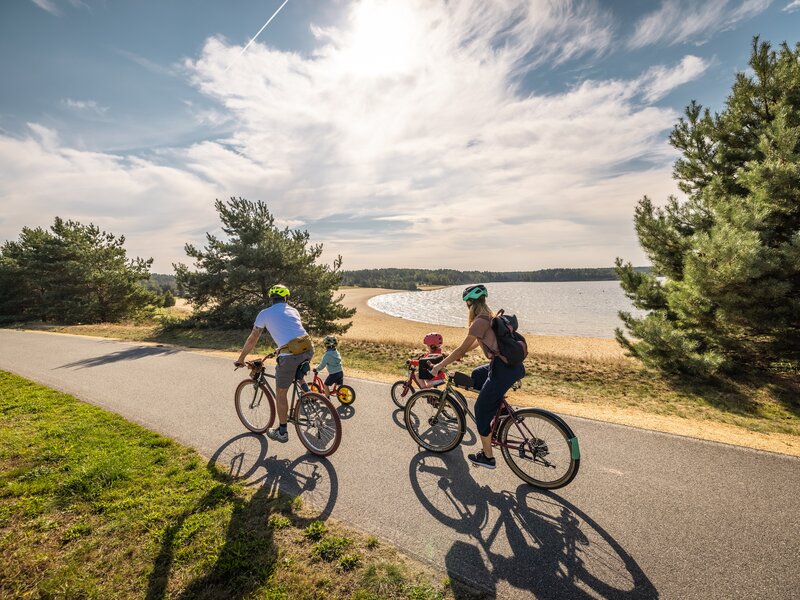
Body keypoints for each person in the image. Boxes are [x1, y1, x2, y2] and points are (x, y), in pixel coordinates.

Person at [429, 284, 525, 470]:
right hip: (512, 366)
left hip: (502, 369)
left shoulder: (478, 321)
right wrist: (461, 353)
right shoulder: (490, 316)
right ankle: (500, 411)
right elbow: (478, 341)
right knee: (476, 375)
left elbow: (463, 347)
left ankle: (487, 457)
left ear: (470, 304)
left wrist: (441, 365)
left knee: (480, 409)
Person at [234, 284, 314, 443]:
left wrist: (241, 358)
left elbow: (252, 339)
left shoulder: (264, 314)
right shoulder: (293, 310)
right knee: (297, 372)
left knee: (281, 393)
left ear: (271, 298)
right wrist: (279, 349)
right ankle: (310, 397)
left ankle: (282, 431)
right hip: (308, 349)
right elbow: (292, 332)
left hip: (289, 355)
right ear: (286, 297)